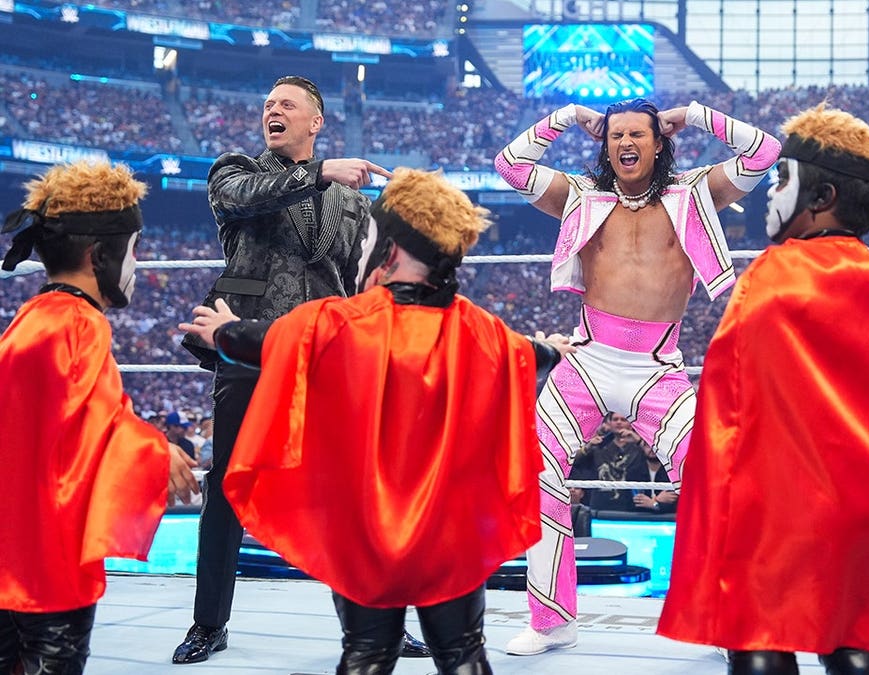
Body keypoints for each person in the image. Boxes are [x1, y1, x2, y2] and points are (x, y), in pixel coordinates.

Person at [180, 167, 573, 675]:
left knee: (367, 651)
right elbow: (528, 355)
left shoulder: (342, 322)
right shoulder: (481, 330)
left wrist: (224, 331)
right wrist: (553, 349)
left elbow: (270, 342)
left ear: (390, 250)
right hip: (451, 534)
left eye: (368, 237)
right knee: (462, 652)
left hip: (366, 532)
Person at [494, 97, 781, 655]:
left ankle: (727, 617)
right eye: (616, 135)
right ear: (604, 145)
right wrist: (567, 116)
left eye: (637, 135)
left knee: (712, 477)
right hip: (588, 358)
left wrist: (695, 114)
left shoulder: (694, 193)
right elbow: (510, 164)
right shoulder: (580, 194)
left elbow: (764, 152)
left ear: (659, 142)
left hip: (657, 368)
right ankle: (552, 619)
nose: (625, 143)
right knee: (534, 468)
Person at [657, 104, 869, 675]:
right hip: (868, 512)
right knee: (859, 638)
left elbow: (732, 413)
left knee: (759, 633)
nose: (770, 193)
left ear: (821, 197)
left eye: (781, 180)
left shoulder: (773, 277)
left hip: (777, 507)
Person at [172, 75, 429, 664]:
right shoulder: (235, 169)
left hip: (324, 352)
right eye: (268, 104)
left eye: (286, 104)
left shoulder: (350, 201)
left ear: (316, 122)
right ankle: (208, 624)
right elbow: (242, 199)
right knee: (228, 487)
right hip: (246, 345)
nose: (273, 110)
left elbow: (362, 278)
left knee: (352, 490)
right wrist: (321, 172)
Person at [0, 160, 199, 674]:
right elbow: (91, 425)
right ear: (100, 255)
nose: (137, 264)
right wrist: (158, 452)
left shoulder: (31, 319)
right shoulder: (79, 324)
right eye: (133, 250)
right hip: (46, 567)